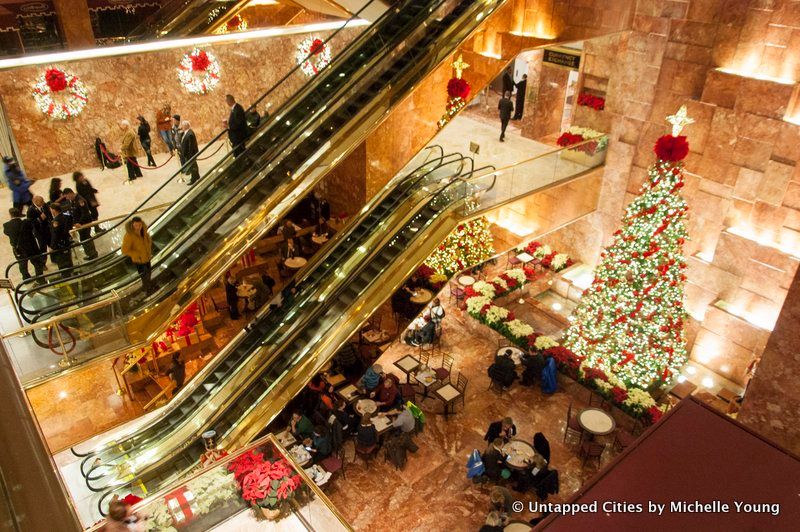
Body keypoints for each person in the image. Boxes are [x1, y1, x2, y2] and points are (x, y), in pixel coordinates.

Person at [4, 208, 45, 280]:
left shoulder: (7, 225)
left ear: (10, 215)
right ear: (19, 214)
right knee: (37, 263)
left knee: (22, 264)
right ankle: (40, 279)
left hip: (18, 248)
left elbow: (6, 233)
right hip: (31, 247)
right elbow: (34, 227)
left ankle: (26, 278)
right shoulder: (27, 222)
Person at [61, 188, 98, 260]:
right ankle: (91, 254)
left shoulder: (80, 200)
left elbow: (85, 213)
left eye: (67, 196)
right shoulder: (73, 201)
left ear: (70, 193)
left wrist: (79, 222)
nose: (67, 198)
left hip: (84, 223)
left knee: (86, 238)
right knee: (84, 237)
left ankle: (92, 254)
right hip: (79, 224)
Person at [121, 216, 154, 294]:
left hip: (147, 257)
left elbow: (148, 239)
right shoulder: (129, 236)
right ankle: (148, 290)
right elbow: (124, 250)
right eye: (136, 225)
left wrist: (149, 247)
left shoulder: (144, 231)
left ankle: (146, 287)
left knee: (149, 273)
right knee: (144, 276)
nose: (138, 227)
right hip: (139, 260)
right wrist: (137, 254)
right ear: (132, 225)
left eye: (140, 225)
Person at [49, 203, 73, 273]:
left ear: (54, 210)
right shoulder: (67, 216)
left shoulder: (55, 221)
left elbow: (55, 235)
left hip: (60, 244)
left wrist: (52, 247)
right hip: (67, 241)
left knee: (63, 262)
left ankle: (66, 274)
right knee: (68, 258)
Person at [179, 120, 200, 185]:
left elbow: (191, 147)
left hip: (190, 154)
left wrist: (189, 155)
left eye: (182, 125)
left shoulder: (190, 134)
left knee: (192, 166)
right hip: (189, 154)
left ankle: (193, 179)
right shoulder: (186, 132)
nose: (181, 126)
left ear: (185, 126)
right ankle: (197, 176)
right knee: (194, 165)